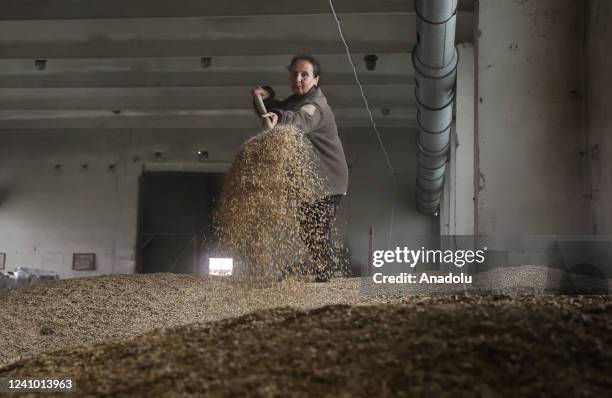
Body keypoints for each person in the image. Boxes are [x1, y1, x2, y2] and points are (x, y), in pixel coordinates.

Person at [252, 55, 349, 282]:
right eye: (294, 74)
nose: (298, 78)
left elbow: (300, 119)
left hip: (330, 180)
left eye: (304, 74)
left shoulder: (317, 105)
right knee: (307, 229)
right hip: (310, 182)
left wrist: (278, 116)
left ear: (315, 79)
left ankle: (324, 279)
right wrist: (265, 95)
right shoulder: (295, 101)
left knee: (317, 228)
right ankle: (322, 274)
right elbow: (274, 110)